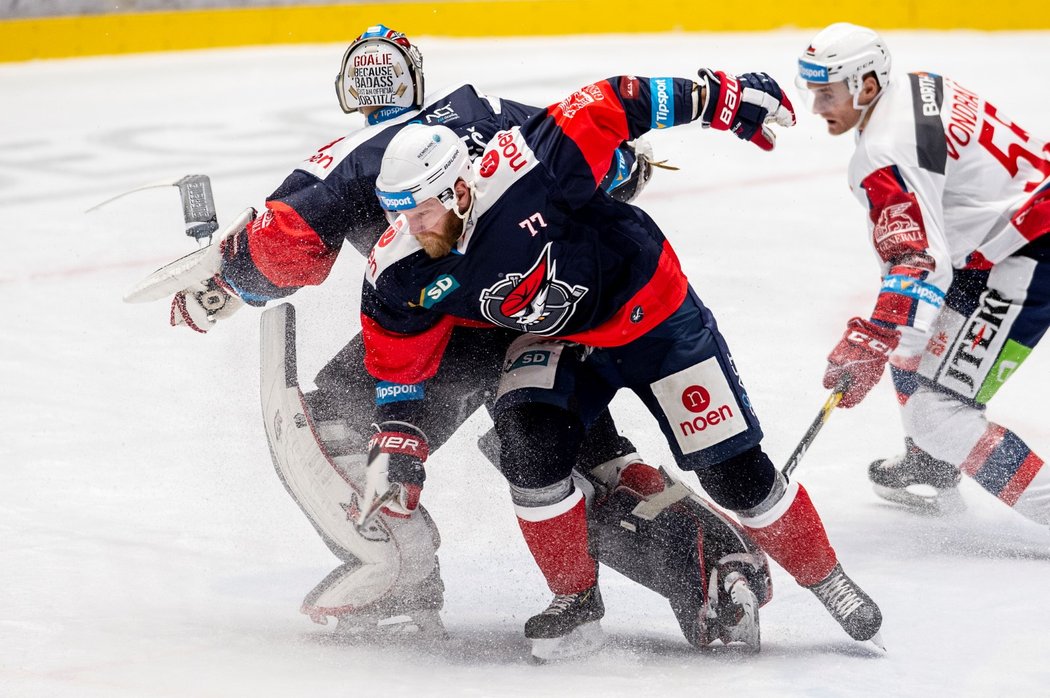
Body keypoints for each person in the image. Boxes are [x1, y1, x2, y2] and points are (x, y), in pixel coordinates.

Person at [165, 24, 771, 650]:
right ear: (416, 77)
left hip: (445, 336)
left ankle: (398, 584)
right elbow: (609, 166)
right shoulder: (483, 110)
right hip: (548, 311)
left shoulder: (352, 154)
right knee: (562, 455)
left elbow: (280, 249)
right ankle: (713, 566)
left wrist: (221, 283)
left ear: (350, 90)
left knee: (338, 425)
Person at [351, 66, 884, 659]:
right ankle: (574, 602)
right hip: (557, 338)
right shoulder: (399, 265)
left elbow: (614, 99)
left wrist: (722, 98)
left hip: (653, 316)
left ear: (460, 189)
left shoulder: (529, 164)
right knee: (529, 450)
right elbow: (397, 357)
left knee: (734, 473)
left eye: (420, 212)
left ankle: (827, 578)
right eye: (398, 214)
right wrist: (398, 436)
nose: (409, 228)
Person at [795, 23, 1050, 522]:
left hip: (1028, 250)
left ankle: (935, 444)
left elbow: (917, 259)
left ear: (866, 85)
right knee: (911, 337)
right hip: (1014, 226)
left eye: (827, 93)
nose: (817, 108)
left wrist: (878, 331)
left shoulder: (881, 153)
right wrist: (893, 329)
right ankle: (931, 463)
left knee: (936, 414)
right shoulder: (918, 84)